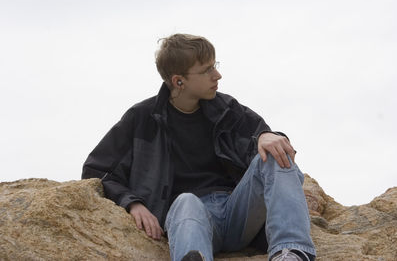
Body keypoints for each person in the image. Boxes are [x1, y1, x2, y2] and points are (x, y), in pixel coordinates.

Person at [82, 34, 316, 261]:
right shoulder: (142, 118)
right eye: (207, 70)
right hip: (189, 219)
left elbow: (260, 138)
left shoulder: (226, 108)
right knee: (186, 201)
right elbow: (97, 170)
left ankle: (292, 252)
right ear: (178, 81)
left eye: (215, 66)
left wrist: (265, 135)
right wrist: (132, 203)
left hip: (238, 213)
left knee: (275, 154)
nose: (218, 75)